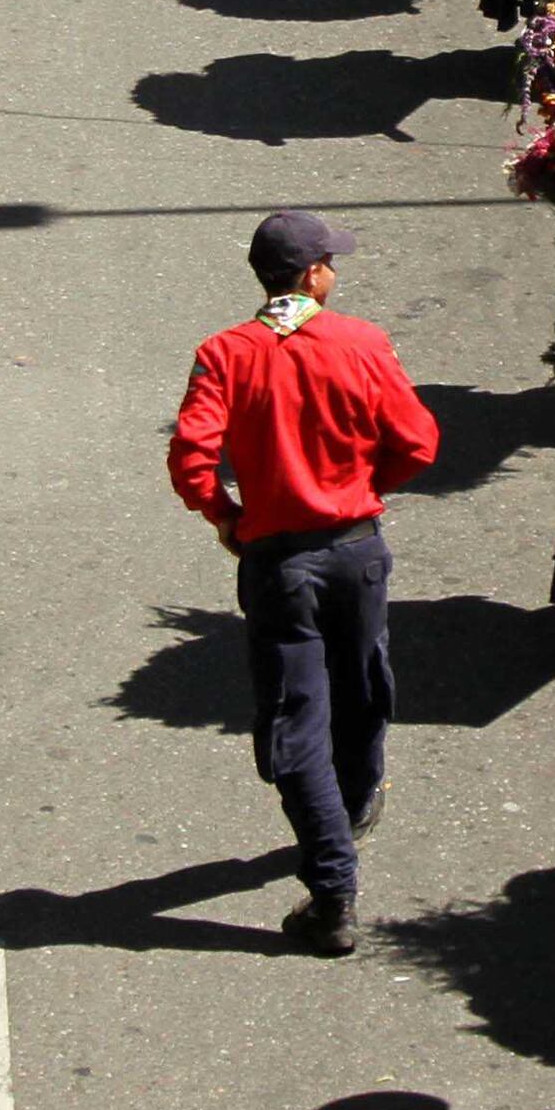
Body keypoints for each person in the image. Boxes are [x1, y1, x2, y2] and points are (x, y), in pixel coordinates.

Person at [168, 211, 441, 956]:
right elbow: (418, 441)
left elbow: (191, 458)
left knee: (295, 722)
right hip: (357, 551)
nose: (335, 272)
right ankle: (350, 813)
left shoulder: (224, 353)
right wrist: (362, 485)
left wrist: (227, 518)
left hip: (278, 563)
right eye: (331, 262)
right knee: (363, 691)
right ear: (314, 274)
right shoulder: (360, 342)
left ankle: (332, 885)